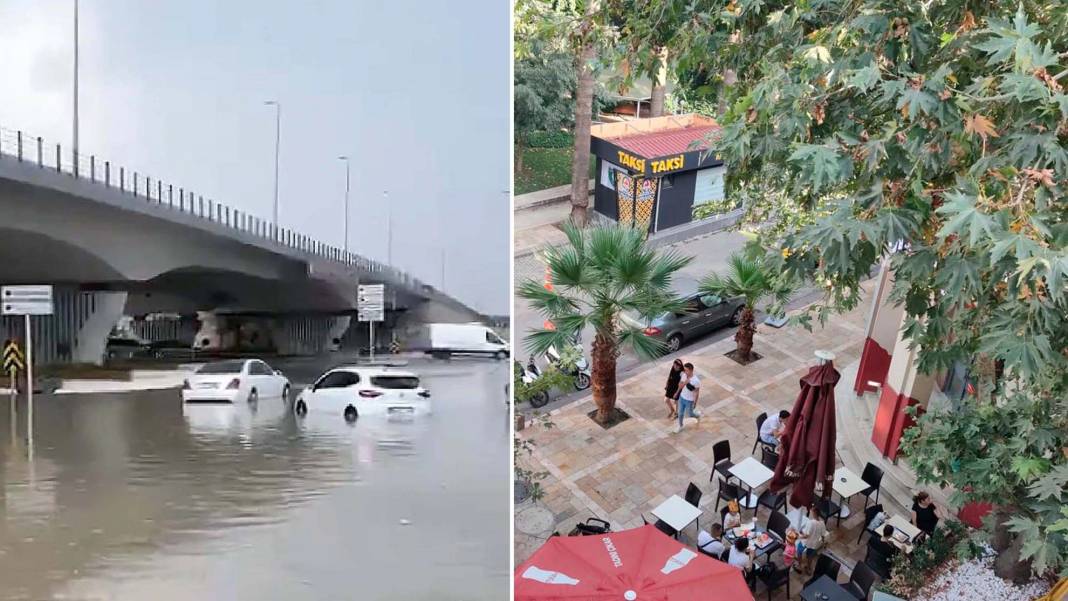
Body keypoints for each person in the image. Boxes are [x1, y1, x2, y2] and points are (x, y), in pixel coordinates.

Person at [796, 507, 827, 573]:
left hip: (805, 542)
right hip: (814, 544)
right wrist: (823, 543)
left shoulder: (810, 523)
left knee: (799, 551)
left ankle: (799, 565)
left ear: (814, 513)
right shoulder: (822, 523)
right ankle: (809, 568)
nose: (810, 512)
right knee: (810, 556)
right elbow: (823, 535)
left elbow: (806, 535)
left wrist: (799, 536)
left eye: (811, 511)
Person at [675, 362, 701, 433]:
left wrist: (695, 402)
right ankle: (680, 426)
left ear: (691, 370)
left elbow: (696, 392)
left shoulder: (696, 381)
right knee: (680, 413)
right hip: (682, 397)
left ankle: (697, 415)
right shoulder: (684, 375)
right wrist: (677, 393)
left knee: (690, 414)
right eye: (684, 370)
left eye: (686, 370)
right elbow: (680, 386)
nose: (685, 372)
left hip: (689, 401)